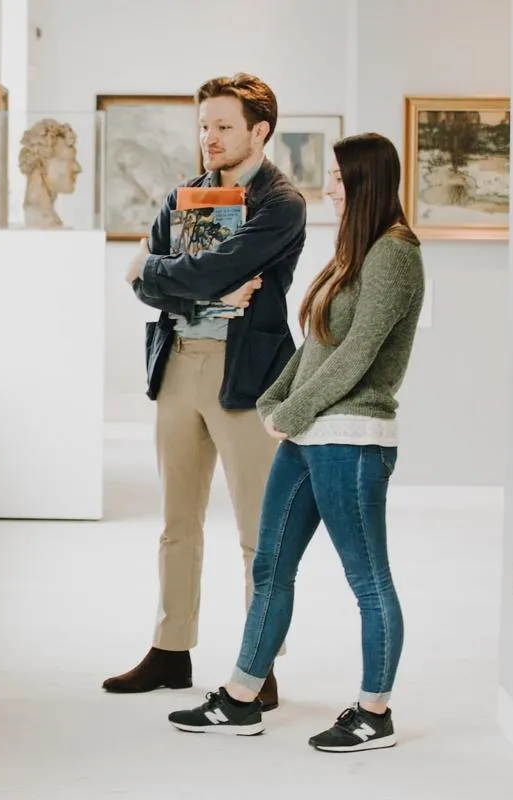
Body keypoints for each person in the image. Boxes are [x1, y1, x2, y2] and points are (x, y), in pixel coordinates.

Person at [167, 132, 425, 753]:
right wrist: (273, 401)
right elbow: (315, 344)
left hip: (353, 440)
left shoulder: (394, 254)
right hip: (309, 435)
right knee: (271, 565)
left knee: (367, 579)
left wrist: (292, 411)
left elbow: (359, 356)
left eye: (338, 177)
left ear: (366, 181)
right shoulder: (353, 253)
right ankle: (242, 697)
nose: (329, 186)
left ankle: (374, 713)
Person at [103, 73, 306, 711]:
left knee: (257, 532)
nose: (209, 137)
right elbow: (143, 287)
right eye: (204, 125)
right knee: (177, 522)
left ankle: (258, 667)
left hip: (246, 376)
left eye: (223, 126)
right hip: (179, 365)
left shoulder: (282, 202)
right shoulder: (185, 194)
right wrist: (194, 286)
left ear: (259, 131)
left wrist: (162, 271)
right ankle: (170, 650)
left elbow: (193, 267)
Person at [18, 118, 82, 228]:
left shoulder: (48, 217)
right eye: (68, 160)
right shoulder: (37, 216)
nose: (77, 168)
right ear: (42, 164)